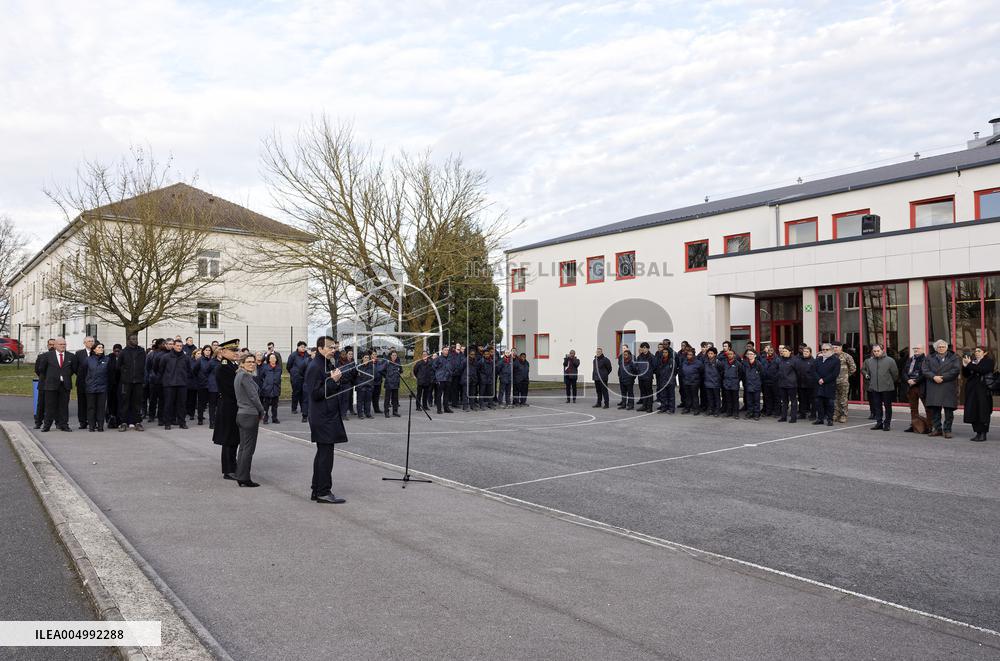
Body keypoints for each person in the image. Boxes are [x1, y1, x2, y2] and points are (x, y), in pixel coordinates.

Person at [307, 336, 347, 504]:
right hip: (322, 417)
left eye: (335, 347)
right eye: (330, 347)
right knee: (325, 455)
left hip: (327, 415)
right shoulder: (315, 366)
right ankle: (323, 491)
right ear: (320, 348)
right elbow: (315, 394)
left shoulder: (325, 363)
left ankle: (318, 489)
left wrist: (336, 380)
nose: (334, 350)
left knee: (323, 453)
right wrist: (333, 381)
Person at [233, 353, 265, 488]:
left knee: (243, 448)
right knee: (248, 449)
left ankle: (241, 476)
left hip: (241, 414)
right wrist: (262, 411)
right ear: (242, 363)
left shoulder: (239, 375)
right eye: (249, 361)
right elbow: (253, 397)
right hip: (249, 415)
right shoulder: (245, 376)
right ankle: (244, 478)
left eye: (253, 361)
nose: (252, 364)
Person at [213, 340, 242, 480]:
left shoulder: (232, 365)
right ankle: (228, 469)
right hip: (229, 406)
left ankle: (233, 465)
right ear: (223, 352)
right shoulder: (223, 367)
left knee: (234, 438)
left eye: (237, 350)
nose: (236, 353)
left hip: (234, 406)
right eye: (233, 351)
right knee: (229, 438)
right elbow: (230, 389)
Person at [922, 339, 961, 439]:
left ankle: (947, 430)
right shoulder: (929, 357)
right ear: (936, 348)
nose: (941, 348)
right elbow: (925, 370)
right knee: (935, 410)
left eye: (943, 347)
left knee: (948, 411)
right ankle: (937, 429)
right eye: (939, 347)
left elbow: (956, 370)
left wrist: (942, 377)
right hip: (934, 385)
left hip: (948, 386)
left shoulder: (954, 357)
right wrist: (934, 377)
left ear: (946, 348)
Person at [38, 337, 74, 432]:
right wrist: (51, 377)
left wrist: (64, 376)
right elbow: (42, 369)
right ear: (55, 345)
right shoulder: (47, 356)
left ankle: (64, 425)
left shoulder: (71, 356)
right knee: (50, 406)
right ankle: (47, 425)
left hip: (65, 385)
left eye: (64, 344)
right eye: (61, 344)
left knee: (64, 406)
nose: (63, 346)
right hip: (51, 385)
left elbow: (73, 369)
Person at [862, 344, 899, 431]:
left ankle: (887, 424)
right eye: (874, 351)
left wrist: (888, 382)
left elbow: (895, 374)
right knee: (877, 406)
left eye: (878, 351)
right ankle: (879, 423)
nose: (876, 353)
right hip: (875, 387)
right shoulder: (870, 362)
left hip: (887, 388)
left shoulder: (890, 361)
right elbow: (868, 373)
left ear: (882, 350)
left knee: (887, 406)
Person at [962, 346, 994, 442]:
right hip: (972, 390)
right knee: (973, 411)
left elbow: (982, 370)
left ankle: (983, 434)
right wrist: (964, 366)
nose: (976, 353)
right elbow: (966, 375)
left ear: (985, 353)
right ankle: (977, 433)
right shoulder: (972, 361)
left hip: (983, 390)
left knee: (983, 411)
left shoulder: (988, 361)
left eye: (979, 351)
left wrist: (969, 365)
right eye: (975, 351)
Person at [116, 335, 145, 432]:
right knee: (125, 402)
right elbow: (118, 366)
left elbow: (144, 365)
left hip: (138, 381)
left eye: (136, 339)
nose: (135, 340)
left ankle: (137, 422)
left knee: (137, 403)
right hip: (126, 382)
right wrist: (125, 373)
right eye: (133, 339)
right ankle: (123, 422)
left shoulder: (141, 351)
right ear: (128, 341)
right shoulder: (123, 352)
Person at [161, 339, 191, 430]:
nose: (179, 347)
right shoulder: (166, 357)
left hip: (182, 384)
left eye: (181, 346)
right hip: (169, 384)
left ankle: (182, 422)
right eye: (177, 346)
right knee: (168, 404)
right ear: (173, 346)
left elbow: (189, 370)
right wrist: (167, 379)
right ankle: (167, 423)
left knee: (182, 404)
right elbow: (160, 369)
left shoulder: (186, 358)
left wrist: (184, 378)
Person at [84, 343, 111, 432]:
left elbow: (110, 373)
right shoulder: (88, 360)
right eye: (99, 347)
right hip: (91, 387)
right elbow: (83, 373)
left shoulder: (107, 360)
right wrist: (87, 382)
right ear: (94, 349)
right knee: (91, 407)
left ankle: (100, 426)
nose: (101, 349)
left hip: (102, 387)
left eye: (102, 347)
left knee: (101, 407)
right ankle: (91, 426)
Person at [812, 343, 840, 426]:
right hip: (819, 384)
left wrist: (824, 380)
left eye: (826, 349)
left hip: (829, 385)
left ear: (831, 350)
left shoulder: (835, 360)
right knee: (818, 402)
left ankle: (830, 419)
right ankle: (820, 419)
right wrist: (819, 379)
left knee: (830, 403)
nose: (824, 351)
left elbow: (835, 374)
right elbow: (813, 371)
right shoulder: (818, 359)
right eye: (823, 349)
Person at [902, 346, 927, 433]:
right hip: (911, 386)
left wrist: (916, 381)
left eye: (918, 348)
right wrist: (908, 380)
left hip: (921, 386)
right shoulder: (910, 359)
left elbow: (925, 373)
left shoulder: (926, 360)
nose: (916, 350)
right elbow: (904, 372)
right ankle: (914, 426)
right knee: (913, 408)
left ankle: (931, 427)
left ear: (923, 350)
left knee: (927, 408)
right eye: (914, 348)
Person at [832, 341, 857, 423]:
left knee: (843, 399)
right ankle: (836, 414)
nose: (834, 349)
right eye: (833, 347)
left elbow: (853, 368)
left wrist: (846, 375)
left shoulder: (847, 356)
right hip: (832, 381)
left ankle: (844, 415)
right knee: (835, 399)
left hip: (843, 382)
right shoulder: (831, 356)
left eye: (836, 347)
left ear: (840, 347)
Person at [33, 338, 55, 429]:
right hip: (43, 383)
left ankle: (57, 422)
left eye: (54, 344)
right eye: (50, 344)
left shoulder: (58, 356)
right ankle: (38, 422)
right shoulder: (42, 356)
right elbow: (38, 370)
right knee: (41, 404)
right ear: (47, 345)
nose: (52, 346)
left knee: (55, 404)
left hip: (55, 384)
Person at [287, 341, 311, 422]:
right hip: (296, 377)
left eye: (304, 347)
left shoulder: (307, 355)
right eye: (301, 347)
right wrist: (293, 372)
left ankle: (303, 408)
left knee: (303, 393)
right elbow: (288, 366)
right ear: (298, 347)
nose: (303, 348)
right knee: (296, 392)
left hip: (305, 377)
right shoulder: (293, 355)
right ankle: (294, 408)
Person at [74, 336, 95, 429]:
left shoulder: (97, 352)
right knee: (82, 402)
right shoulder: (79, 354)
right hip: (82, 382)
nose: (91, 343)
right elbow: (75, 367)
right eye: (89, 341)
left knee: (92, 403)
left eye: (92, 341)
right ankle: (82, 421)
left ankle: (92, 421)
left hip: (94, 382)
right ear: (85, 343)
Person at [776, 346, 798, 422]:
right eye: (783, 351)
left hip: (791, 384)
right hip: (782, 384)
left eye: (785, 351)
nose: (783, 352)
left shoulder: (794, 360)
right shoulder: (780, 360)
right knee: (784, 402)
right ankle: (783, 417)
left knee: (793, 401)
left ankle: (793, 417)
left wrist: (794, 380)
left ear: (790, 352)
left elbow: (798, 372)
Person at [192, 346, 214, 425]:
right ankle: (200, 418)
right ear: (203, 351)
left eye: (209, 350)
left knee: (212, 403)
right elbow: (194, 371)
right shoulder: (200, 360)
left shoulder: (213, 360)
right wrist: (200, 378)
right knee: (201, 403)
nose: (208, 351)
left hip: (211, 385)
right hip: (202, 384)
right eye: (206, 350)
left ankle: (212, 420)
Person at [741, 349, 764, 420]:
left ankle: (757, 414)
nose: (750, 355)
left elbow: (762, 375)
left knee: (756, 401)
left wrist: (758, 382)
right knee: (749, 401)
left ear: (755, 355)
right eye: (748, 354)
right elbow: (743, 374)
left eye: (751, 354)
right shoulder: (745, 364)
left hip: (756, 385)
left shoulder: (758, 364)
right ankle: (750, 413)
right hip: (748, 385)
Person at [655, 339, 677, 414]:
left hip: (670, 380)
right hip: (662, 380)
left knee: (671, 395)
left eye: (666, 352)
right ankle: (664, 407)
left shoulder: (672, 360)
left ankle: (671, 409)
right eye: (663, 352)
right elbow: (658, 368)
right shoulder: (660, 360)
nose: (664, 353)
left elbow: (675, 370)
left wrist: (671, 377)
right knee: (663, 395)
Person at [259, 353, 283, 423]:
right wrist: (265, 384)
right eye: (271, 358)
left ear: (276, 359)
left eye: (274, 358)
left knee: (275, 406)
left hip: (276, 389)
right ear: (269, 359)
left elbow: (279, 378)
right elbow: (261, 377)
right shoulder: (265, 367)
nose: (273, 359)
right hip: (267, 389)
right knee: (266, 406)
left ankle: (274, 418)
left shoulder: (279, 368)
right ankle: (265, 418)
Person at [794, 346, 816, 420]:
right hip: (801, 384)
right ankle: (802, 414)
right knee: (802, 400)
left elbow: (815, 373)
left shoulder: (813, 361)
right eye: (804, 351)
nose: (805, 353)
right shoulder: (799, 361)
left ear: (810, 353)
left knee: (812, 401)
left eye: (807, 352)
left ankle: (813, 415)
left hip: (811, 384)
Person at [680, 349, 703, 415]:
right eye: (688, 355)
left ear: (693, 355)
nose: (689, 356)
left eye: (690, 355)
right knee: (687, 396)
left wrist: (696, 379)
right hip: (686, 381)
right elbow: (682, 371)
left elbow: (701, 371)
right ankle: (687, 408)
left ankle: (696, 409)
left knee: (694, 396)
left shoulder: (698, 363)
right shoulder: (684, 362)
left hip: (694, 382)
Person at [634, 343, 655, 412]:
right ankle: (644, 406)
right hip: (641, 377)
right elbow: (636, 365)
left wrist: (649, 372)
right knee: (643, 392)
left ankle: (649, 407)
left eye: (645, 347)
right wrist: (638, 371)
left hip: (648, 377)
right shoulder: (639, 357)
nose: (644, 349)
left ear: (648, 348)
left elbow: (655, 367)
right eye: (642, 347)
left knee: (649, 392)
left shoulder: (651, 357)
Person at [720, 349, 741, 418]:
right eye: (728, 354)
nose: (730, 355)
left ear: (734, 355)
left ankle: (736, 413)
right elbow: (722, 373)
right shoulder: (724, 363)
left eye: (731, 354)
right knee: (728, 399)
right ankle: (729, 412)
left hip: (734, 384)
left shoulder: (738, 364)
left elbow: (741, 374)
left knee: (735, 399)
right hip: (727, 384)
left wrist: (737, 380)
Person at [433, 346, 454, 413]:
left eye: (447, 350)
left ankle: (446, 408)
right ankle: (439, 409)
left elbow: (453, 366)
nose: (446, 351)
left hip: (448, 378)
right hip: (441, 379)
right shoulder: (438, 358)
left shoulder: (450, 358)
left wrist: (451, 372)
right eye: (445, 350)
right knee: (439, 394)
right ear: (442, 351)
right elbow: (434, 367)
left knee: (447, 394)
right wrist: (438, 374)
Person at [702, 347, 722, 416]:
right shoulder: (705, 362)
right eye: (709, 353)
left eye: (711, 353)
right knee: (709, 397)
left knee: (716, 397)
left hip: (715, 383)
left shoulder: (718, 362)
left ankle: (717, 410)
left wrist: (718, 379)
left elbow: (721, 372)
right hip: (707, 383)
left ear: (715, 354)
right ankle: (710, 409)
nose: (710, 355)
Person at [761, 344, 779, 417]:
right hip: (766, 382)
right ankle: (768, 411)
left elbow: (779, 370)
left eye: (771, 350)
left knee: (776, 397)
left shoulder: (777, 359)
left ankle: (777, 412)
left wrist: (775, 377)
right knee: (767, 397)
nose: (770, 352)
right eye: (769, 351)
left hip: (774, 382)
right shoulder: (764, 359)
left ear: (774, 351)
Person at [382, 350, 402, 417]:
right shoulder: (387, 363)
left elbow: (401, 371)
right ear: (390, 356)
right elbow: (382, 370)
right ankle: (386, 412)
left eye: (395, 355)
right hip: (389, 383)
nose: (394, 357)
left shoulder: (398, 363)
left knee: (395, 399)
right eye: (393, 355)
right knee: (387, 399)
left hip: (396, 383)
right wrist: (387, 376)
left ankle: (395, 411)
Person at [356, 353, 375, 419]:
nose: (367, 359)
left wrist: (371, 385)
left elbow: (373, 376)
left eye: (368, 357)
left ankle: (368, 413)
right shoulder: (358, 366)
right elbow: (356, 377)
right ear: (362, 358)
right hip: (361, 387)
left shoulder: (371, 366)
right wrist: (359, 385)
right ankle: (360, 414)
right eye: (365, 357)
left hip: (369, 386)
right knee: (360, 401)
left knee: (368, 401)